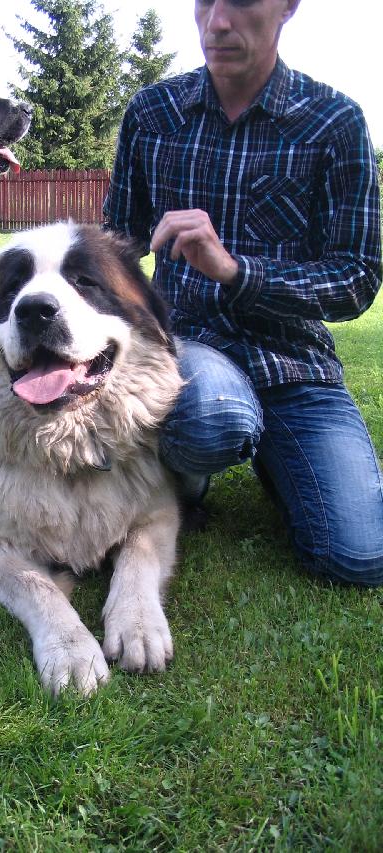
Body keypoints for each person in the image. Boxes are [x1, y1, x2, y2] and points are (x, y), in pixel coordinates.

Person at [104, 0, 383, 586]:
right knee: (214, 416)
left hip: (294, 362)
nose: (217, 22)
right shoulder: (154, 113)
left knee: (359, 556)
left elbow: (356, 277)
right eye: (205, 1)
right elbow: (115, 250)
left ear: (287, 7)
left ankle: (276, 459)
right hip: (190, 353)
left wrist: (236, 272)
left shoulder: (333, 122)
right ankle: (191, 466)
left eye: (241, 1)